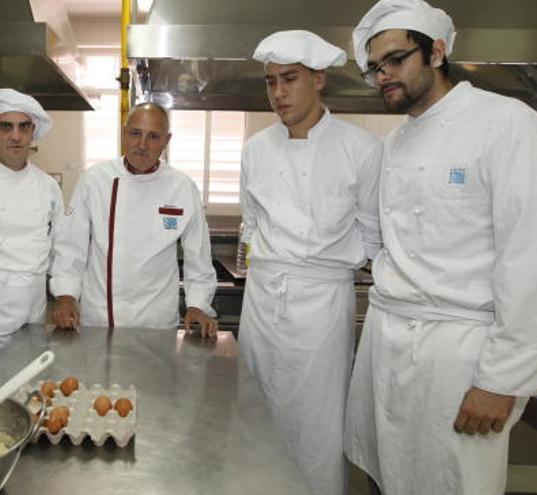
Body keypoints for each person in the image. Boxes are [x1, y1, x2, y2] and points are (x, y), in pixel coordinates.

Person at [345, 1, 537, 493]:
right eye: (375, 68)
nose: (384, 75)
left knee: (452, 482)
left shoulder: (509, 126)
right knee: (385, 477)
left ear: (437, 52)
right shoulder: (396, 143)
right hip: (388, 343)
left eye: (395, 59)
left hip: (460, 356)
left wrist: (502, 380)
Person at [236, 30, 383, 495]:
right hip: (261, 301)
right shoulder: (256, 149)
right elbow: (250, 226)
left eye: (290, 79)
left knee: (317, 422)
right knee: (254, 412)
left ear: (319, 80)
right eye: (271, 81)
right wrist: (256, 266)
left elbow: (372, 234)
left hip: (323, 304)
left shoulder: (360, 150)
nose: (278, 92)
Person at [50, 102, 218, 336]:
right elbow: (71, 246)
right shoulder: (95, 180)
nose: (141, 145)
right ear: (124, 133)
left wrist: (198, 305)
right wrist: (66, 295)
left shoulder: (182, 188)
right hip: (101, 318)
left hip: (156, 322)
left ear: (166, 141)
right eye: (135, 133)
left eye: (153, 136)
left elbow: (198, 258)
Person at [0, 89, 63, 360]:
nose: (15, 136)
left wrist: (65, 294)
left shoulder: (48, 187)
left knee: (28, 393)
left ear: (33, 131)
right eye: (6, 126)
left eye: (23, 127)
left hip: (33, 316)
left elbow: (61, 249)